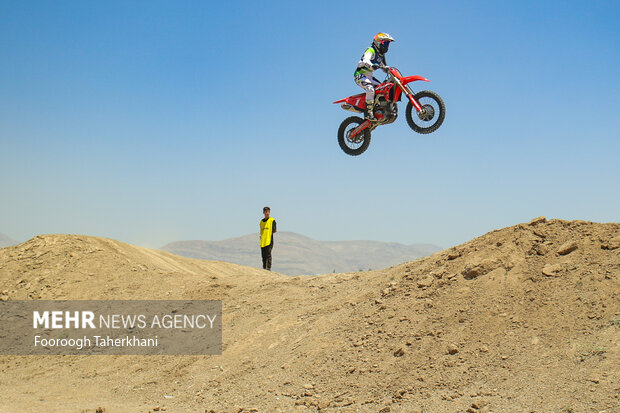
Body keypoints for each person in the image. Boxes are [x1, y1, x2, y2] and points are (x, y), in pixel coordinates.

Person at [354, 32, 395, 121]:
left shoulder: (381, 55)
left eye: (388, 44)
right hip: (360, 75)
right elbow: (365, 60)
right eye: (385, 43)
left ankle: (380, 110)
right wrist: (371, 65)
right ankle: (368, 113)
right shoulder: (371, 50)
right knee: (370, 88)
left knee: (383, 89)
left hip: (369, 76)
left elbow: (384, 67)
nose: (387, 46)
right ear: (378, 42)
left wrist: (388, 69)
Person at [259, 206, 277, 270]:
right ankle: (264, 268)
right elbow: (261, 230)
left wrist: (269, 233)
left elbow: (274, 230)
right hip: (263, 240)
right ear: (263, 212)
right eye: (266, 211)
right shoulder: (261, 221)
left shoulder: (272, 220)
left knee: (268, 254)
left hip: (269, 240)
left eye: (268, 211)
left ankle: (268, 268)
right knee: (263, 256)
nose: (267, 213)